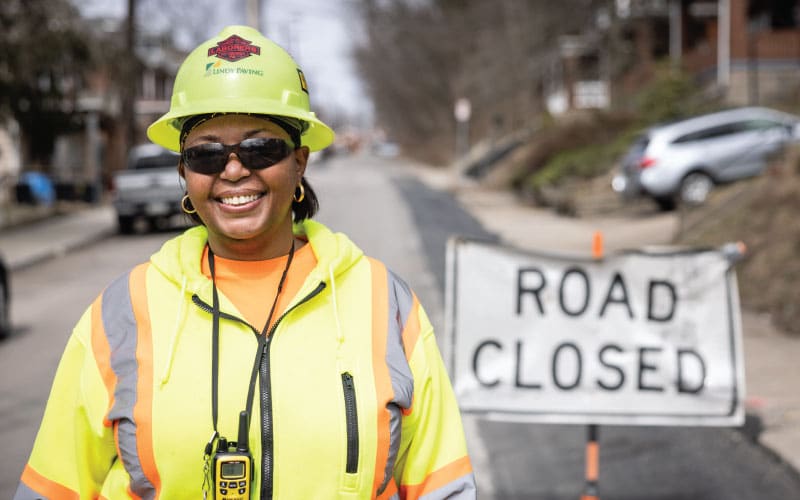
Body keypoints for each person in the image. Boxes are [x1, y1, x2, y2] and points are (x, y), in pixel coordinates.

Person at [15, 25, 476, 499]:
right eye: (207, 155)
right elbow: (52, 489)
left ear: (300, 161)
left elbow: (445, 487)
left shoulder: (384, 302)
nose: (234, 170)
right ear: (185, 174)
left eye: (261, 148)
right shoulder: (122, 313)